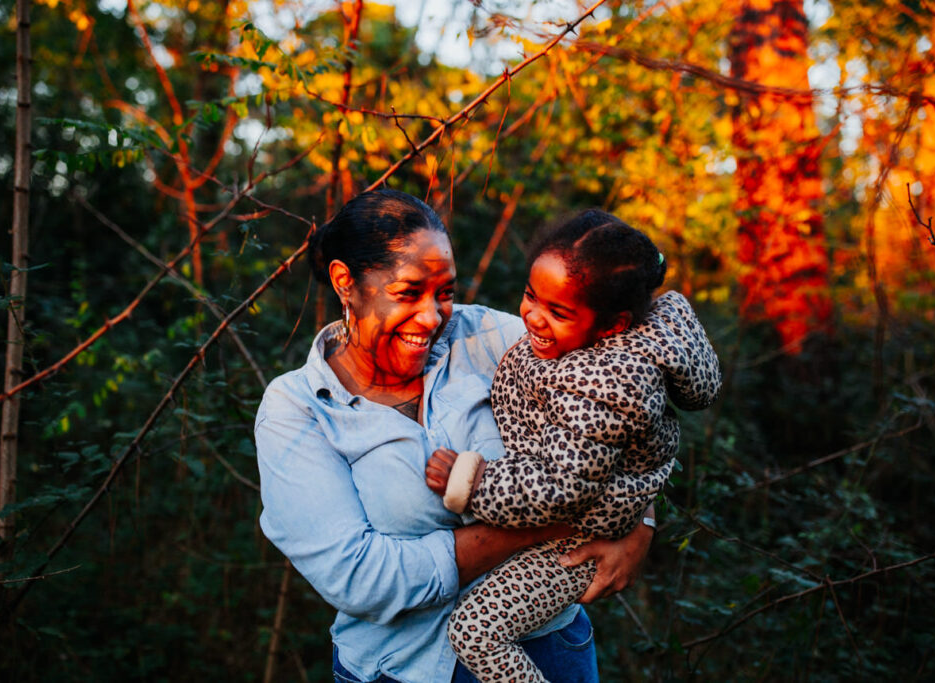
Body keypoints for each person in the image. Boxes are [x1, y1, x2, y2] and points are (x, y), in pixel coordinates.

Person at [254, 190, 655, 683]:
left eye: (444, 292)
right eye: (408, 293)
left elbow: (627, 401)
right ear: (346, 282)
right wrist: (544, 526)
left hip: (546, 650)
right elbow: (362, 580)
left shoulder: (492, 338)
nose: (432, 316)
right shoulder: (298, 409)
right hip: (399, 669)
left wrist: (641, 526)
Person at [425, 210, 722, 682]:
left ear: (611, 325)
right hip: (568, 517)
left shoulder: (604, 382)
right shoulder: (579, 344)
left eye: (558, 312)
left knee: (477, 631)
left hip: (576, 537)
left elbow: (562, 489)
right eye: (530, 295)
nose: (532, 317)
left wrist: (472, 482)